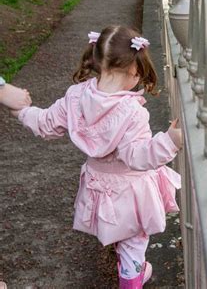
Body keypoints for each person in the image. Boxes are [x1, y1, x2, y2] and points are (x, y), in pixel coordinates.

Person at [11, 26, 182, 288]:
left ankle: (132, 268)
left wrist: (21, 111)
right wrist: (170, 141)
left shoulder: (76, 96)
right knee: (134, 242)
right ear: (134, 70)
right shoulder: (132, 112)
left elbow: (46, 123)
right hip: (130, 191)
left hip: (97, 186)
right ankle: (132, 278)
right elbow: (137, 157)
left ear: (96, 61)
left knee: (117, 230)